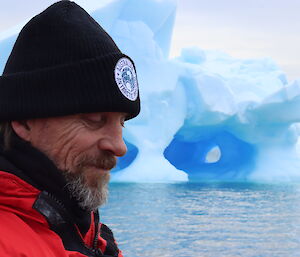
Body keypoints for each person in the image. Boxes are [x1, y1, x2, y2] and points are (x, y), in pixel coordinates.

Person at [0, 1, 140, 256]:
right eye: (94, 118)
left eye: (121, 122)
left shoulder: (90, 237)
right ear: (23, 120)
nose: (119, 146)